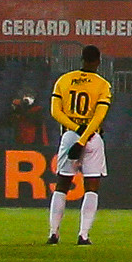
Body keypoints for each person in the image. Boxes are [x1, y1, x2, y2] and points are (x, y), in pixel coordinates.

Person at [46, 44, 111, 246]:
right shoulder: (102, 84)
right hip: (92, 138)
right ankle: (83, 235)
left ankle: (53, 234)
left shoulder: (64, 80)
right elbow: (99, 115)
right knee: (91, 187)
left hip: (69, 136)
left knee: (62, 185)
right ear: (98, 61)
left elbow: (55, 112)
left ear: (81, 59)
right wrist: (84, 136)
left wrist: (75, 129)